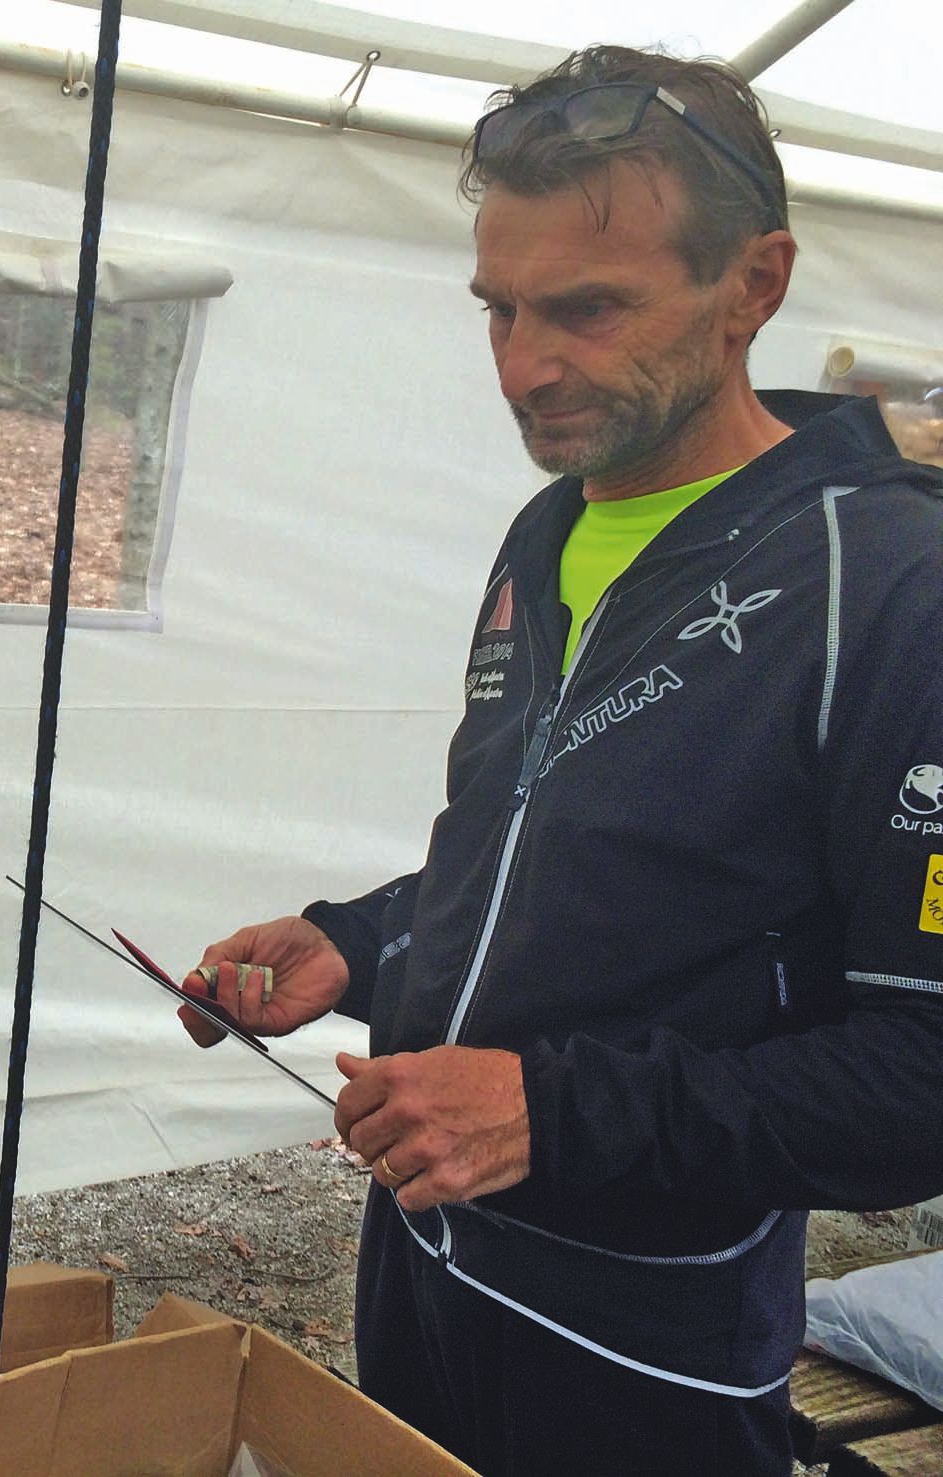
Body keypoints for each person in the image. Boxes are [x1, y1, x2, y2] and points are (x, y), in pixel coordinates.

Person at [174, 45, 943, 1477]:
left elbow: (920, 1076)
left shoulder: (888, 583)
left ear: (753, 286)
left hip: (647, 1350)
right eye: (499, 311)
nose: (526, 365)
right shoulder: (547, 535)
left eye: (587, 310)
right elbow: (542, 851)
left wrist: (548, 1111)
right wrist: (360, 944)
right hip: (424, 1275)